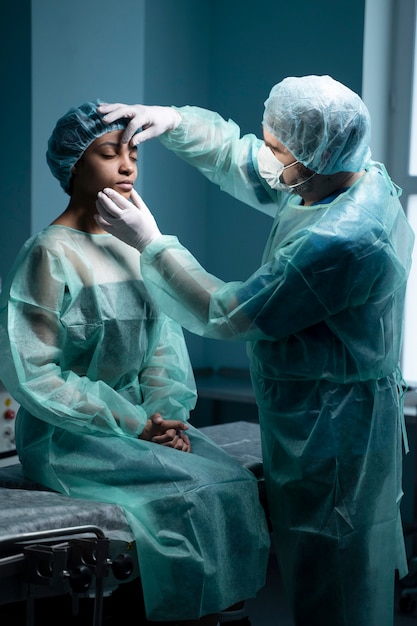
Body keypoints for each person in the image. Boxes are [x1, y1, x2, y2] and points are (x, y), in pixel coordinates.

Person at [95, 75, 415, 626]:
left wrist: (151, 243)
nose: (268, 158)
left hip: (334, 432)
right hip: (325, 414)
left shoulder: (343, 239)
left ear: (315, 155)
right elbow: (246, 162)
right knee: (332, 576)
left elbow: (232, 313)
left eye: (278, 148)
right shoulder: (342, 179)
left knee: (335, 584)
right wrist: (174, 120)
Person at [0, 100, 270, 625]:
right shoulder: (47, 254)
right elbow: (37, 375)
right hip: (69, 437)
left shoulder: (134, 245)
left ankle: (222, 614)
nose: (127, 166)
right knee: (188, 495)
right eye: (108, 154)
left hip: (145, 426)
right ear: (73, 165)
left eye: (134, 154)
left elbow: (164, 347)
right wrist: (135, 423)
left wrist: (167, 417)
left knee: (232, 483)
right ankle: (183, 615)